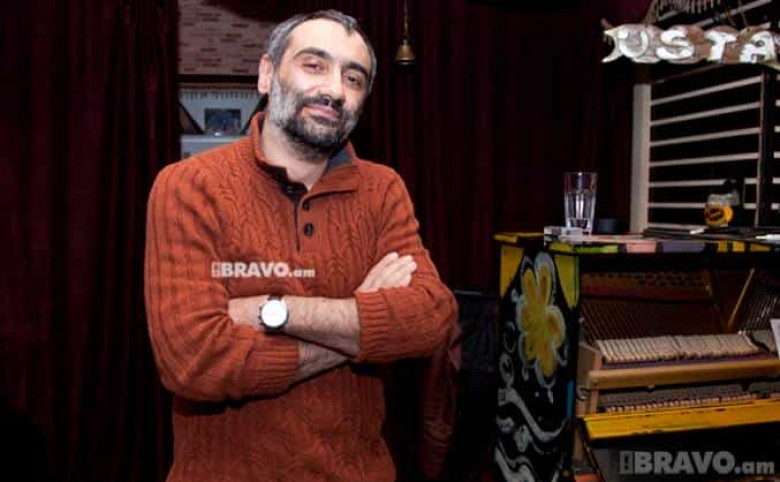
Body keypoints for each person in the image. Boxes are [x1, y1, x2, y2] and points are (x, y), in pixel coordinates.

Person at [144, 10, 459, 481]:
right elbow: (194, 362)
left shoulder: (383, 189)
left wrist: (273, 311)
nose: (335, 89)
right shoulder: (188, 186)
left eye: (354, 78)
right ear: (267, 74)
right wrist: (364, 324)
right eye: (314, 65)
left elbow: (432, 318)